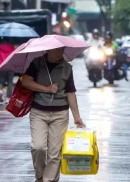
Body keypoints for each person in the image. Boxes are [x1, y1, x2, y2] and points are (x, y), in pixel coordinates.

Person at [22, 47, 86, 182]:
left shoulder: (67, 68)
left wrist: (77, 117)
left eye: (62, 50)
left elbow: (70, 93)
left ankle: (49, 180)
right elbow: (26, 82)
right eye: (57, 50)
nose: (60, 53)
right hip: (38, 112)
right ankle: (40, 176)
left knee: (54, 153)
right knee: (38, 147)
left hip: (60, 114)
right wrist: (46, 89)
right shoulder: (37, 63)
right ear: (48, 50)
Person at [0, 38, 16, 103]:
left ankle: (0, 91)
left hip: (0, 66)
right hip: (10, 67)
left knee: (0, 81)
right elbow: (14, 57)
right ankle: (8, 98)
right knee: (10, 82)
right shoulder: (11, 47)